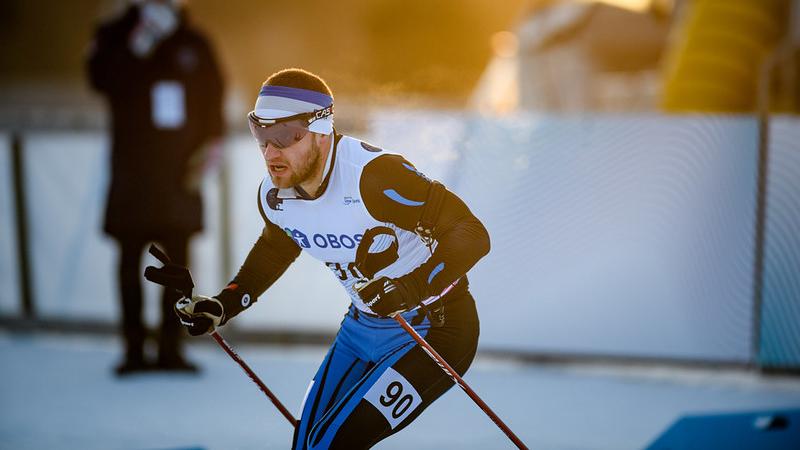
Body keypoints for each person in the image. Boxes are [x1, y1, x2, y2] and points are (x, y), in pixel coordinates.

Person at [173, 68, 490, 448]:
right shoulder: (275, 195)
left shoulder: (374, 178)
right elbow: (277, 248)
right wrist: (223, 304)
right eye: (261, 134)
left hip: (437, 330)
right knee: (307, 446)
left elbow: (472, 234)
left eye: (285, 136)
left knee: (337, 444)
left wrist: (410, 288)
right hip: (363, 328)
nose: (271, 152)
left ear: (321, 131)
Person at [86, 0, 224, 375]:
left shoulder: (195, 42)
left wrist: (212, 147)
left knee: (178, 264)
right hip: (132, 174)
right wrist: (139, 43)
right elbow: (100, 80)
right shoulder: (115, 34)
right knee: (129, 260)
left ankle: (171, 349)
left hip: (179, 176)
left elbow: (214, 100)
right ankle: (133, 349)